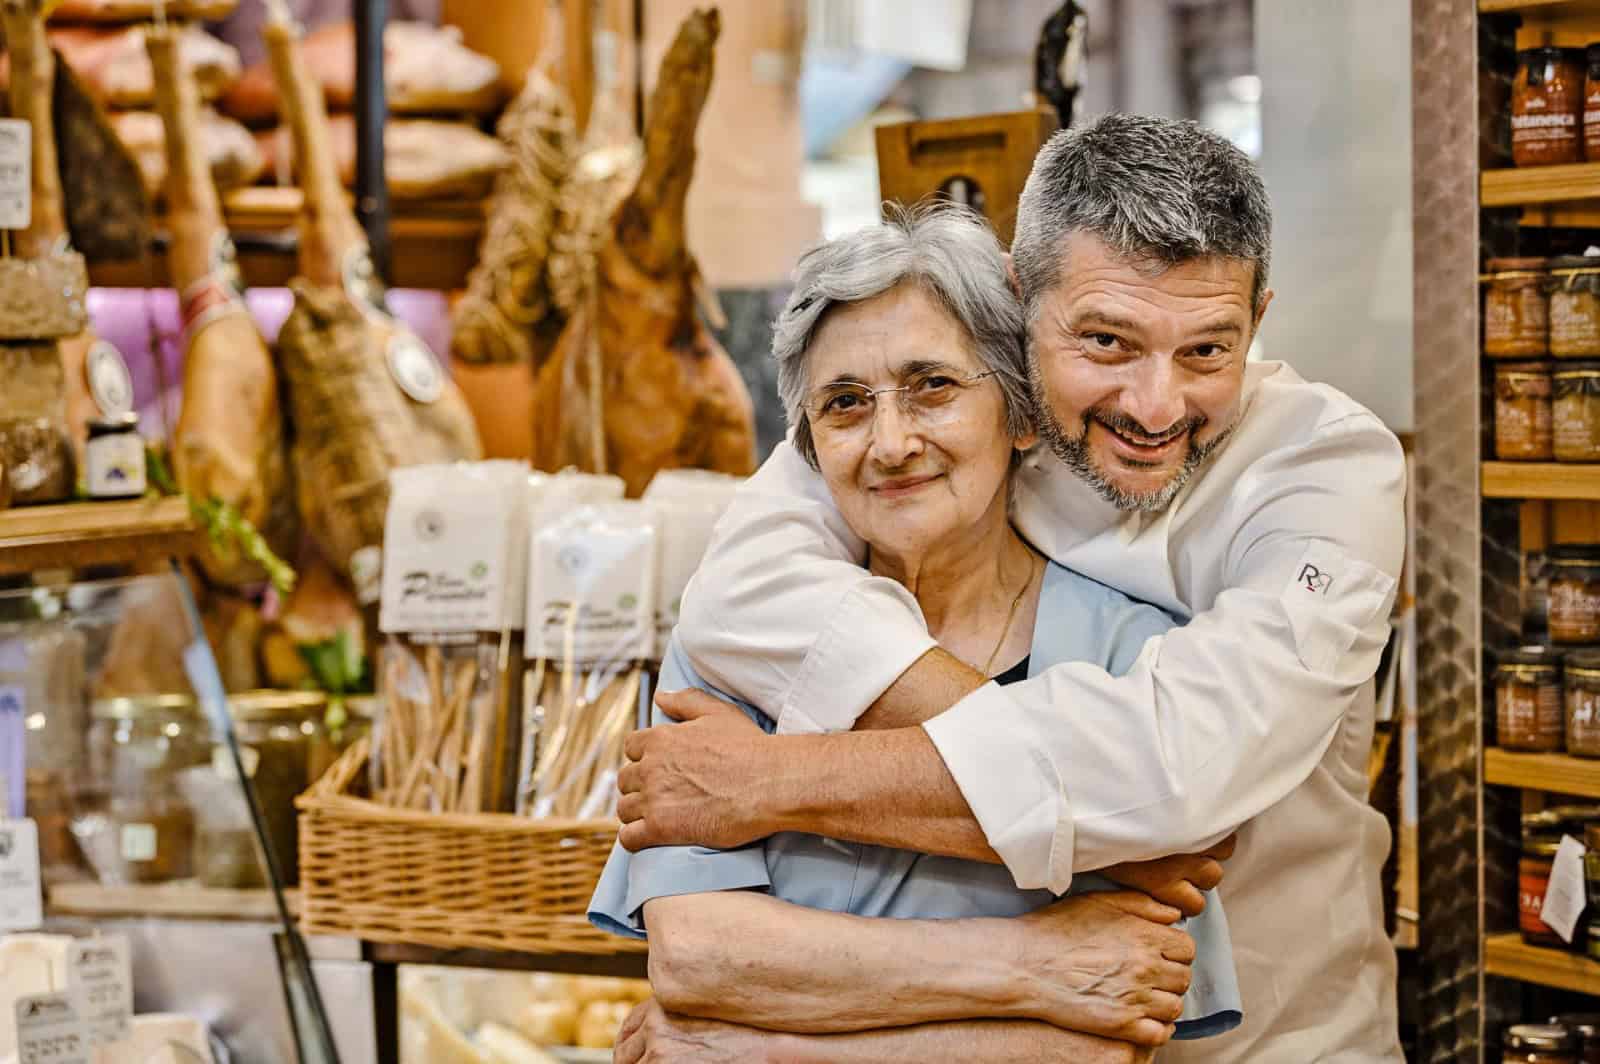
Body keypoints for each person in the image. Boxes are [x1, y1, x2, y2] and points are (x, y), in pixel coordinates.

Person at [618, 113, 1407, 1063]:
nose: (1155, 408)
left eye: (1207, 350)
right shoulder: (932, 426)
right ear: (1019, 305)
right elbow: (745, 579)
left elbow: (1168, 789)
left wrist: (770, 785)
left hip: (1286, 1038)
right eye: (1108, 342)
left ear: (1259, 320)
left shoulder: (1329, 473)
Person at [589, 205, 1241, 1063]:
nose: (891, 443)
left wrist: (745, 1047)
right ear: (812, 449)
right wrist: (1036, 968)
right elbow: (701, 957)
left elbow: (1110, 1040)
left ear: (1019, 416)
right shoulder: (739, 643)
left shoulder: (1133, 653)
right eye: (846, 405)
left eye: (933, 386)